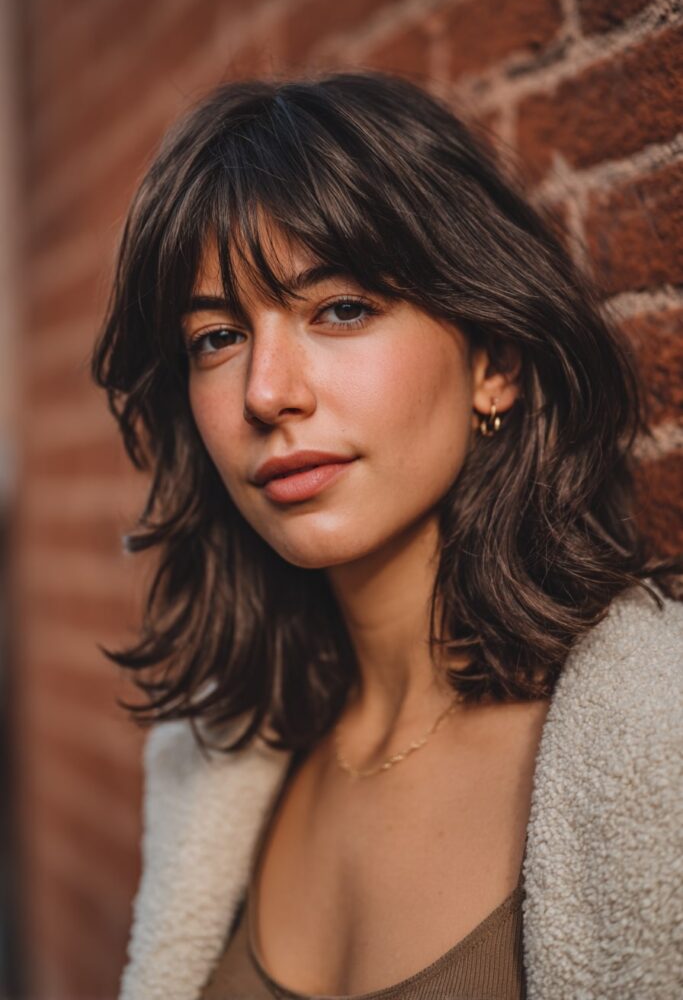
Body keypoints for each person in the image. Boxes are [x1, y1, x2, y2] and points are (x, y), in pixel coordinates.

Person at [90, 71, 683, 1000]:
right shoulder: (214, 756)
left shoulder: (658, 741)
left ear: (494, 361)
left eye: (341, 309)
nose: (265, 391)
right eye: (216, 337)